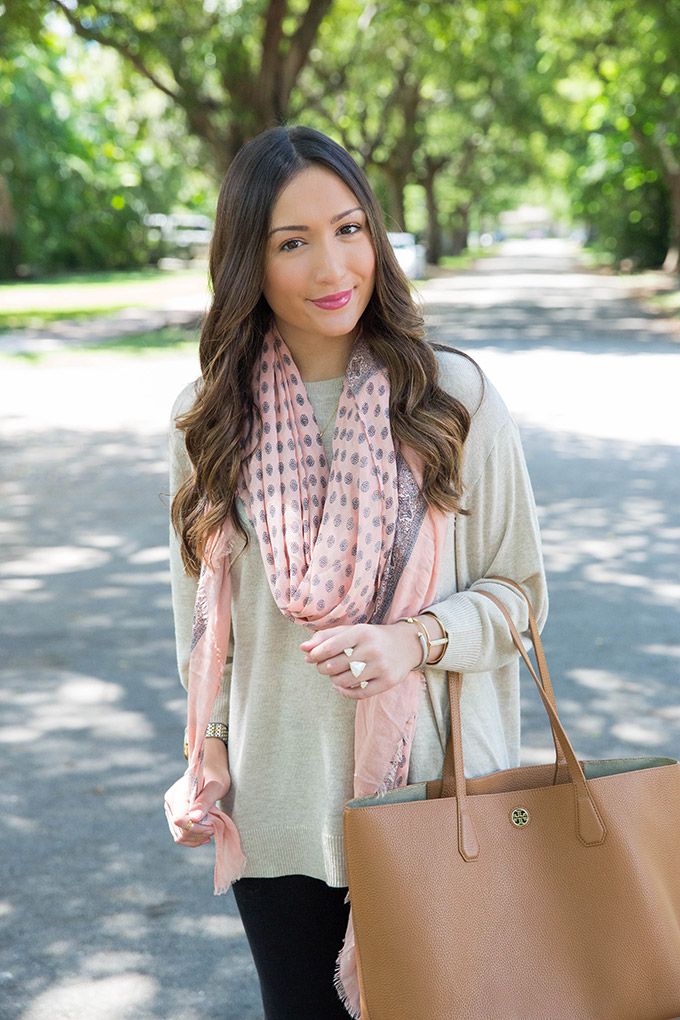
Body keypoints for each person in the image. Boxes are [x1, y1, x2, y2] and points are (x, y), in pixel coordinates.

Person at [163, 124, 547, 1020]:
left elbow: (521, 597)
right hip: (277, 813)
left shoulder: (452, 400)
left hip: (438, 797)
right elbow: (206, 634)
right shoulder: (208, 422)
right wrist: (205, 754)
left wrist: (416, 640)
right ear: (247, 263)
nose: (333, 267)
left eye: (349, 230)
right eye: (292, 243)